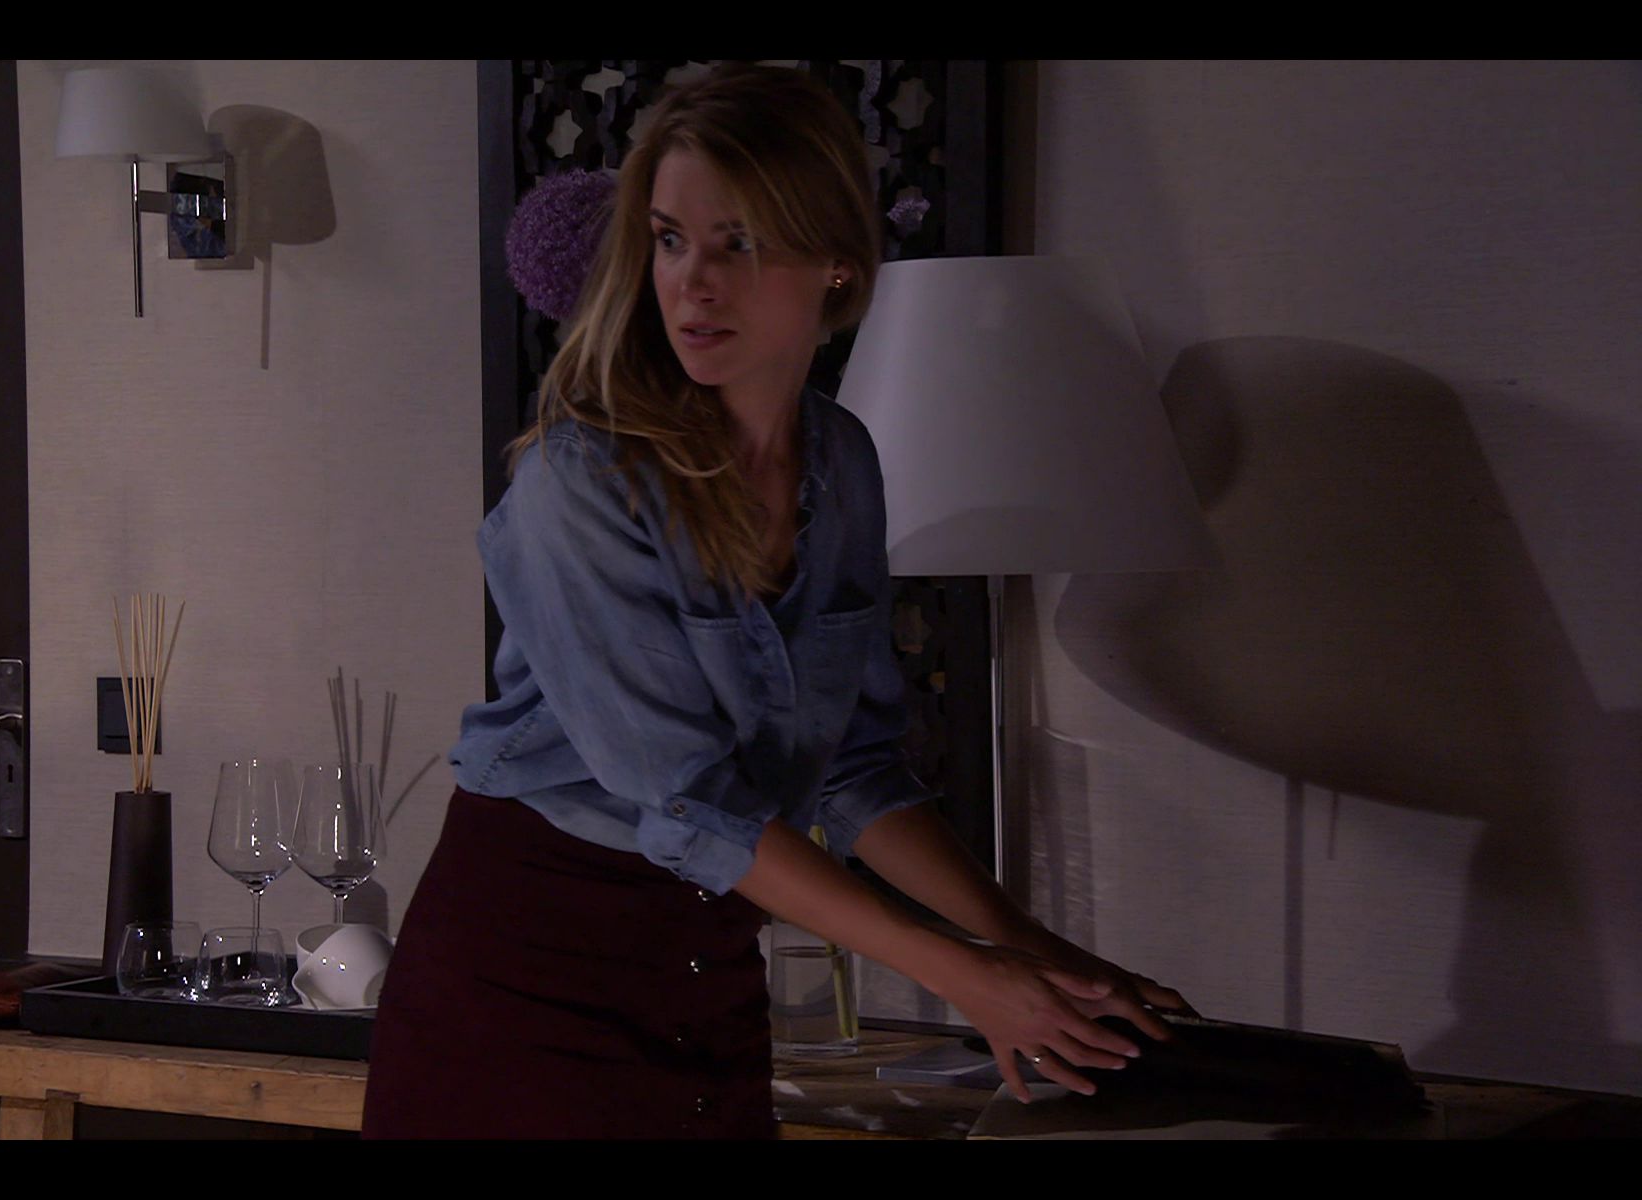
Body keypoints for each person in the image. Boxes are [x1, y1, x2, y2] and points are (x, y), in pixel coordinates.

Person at [359, 62, 1190, 1141]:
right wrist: (964, 976)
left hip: (706, 967)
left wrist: (1030, 951)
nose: (694, 283)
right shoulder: (583, 480)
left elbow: (855, 770)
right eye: (670, 240)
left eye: (739, 242)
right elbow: (690, 804)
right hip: (525, 977)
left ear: (835, 261)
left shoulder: (844, 464)